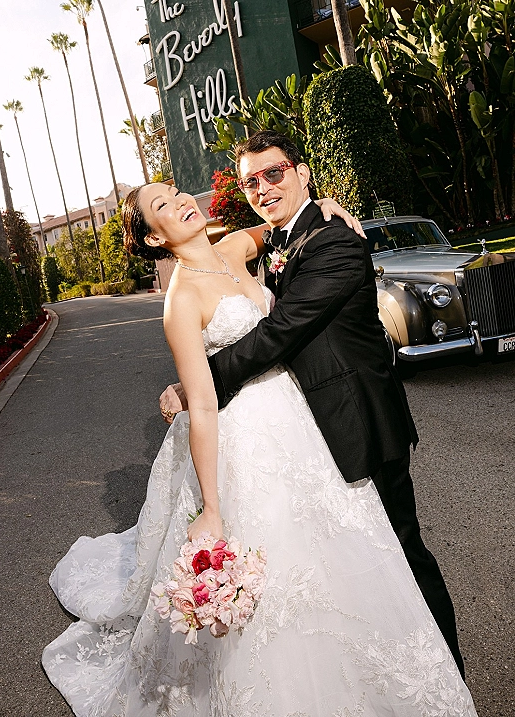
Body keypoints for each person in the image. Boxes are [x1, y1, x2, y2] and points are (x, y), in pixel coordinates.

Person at [42, 158, 478, 717]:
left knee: (343, 550)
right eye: (162, 206)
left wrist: (323, 207)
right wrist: (213, 508)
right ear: (155, 237)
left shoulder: (231, 252)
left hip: (302, 423)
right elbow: (202, 403)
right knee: (279, 567)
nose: (179, 201)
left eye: (175, 191)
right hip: (247, 437)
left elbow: (267, 229)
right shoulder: (180, 300)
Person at [161, 131, 466, 679]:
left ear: (302, 172)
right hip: (307, 428)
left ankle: (446, 670)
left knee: (402, 552)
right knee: (353, 562)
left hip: (361, 422)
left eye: (274, 173)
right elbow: (253, 246)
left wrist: (196, 384)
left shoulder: (335, 242)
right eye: (251, 180)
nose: (263, 187)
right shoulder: (281, 236)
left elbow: (281, 331)